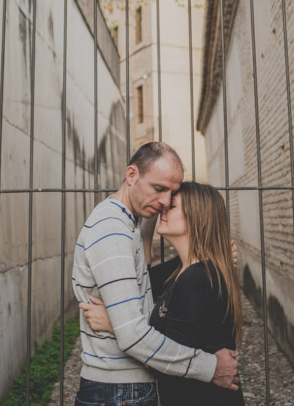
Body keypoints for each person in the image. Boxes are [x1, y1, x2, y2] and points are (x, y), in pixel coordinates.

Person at [72, 142, 240, 406]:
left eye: (171, 195)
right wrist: (211, 367)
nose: (163, 202)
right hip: (118, 390)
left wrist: (211, 256)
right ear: (131, 175)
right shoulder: (112, 230)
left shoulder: (126, 223)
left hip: (123, 387)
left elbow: (145, 282)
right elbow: (133, 336)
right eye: (159, 189)